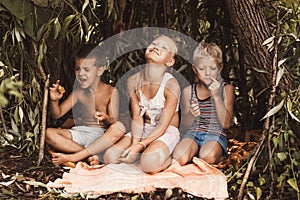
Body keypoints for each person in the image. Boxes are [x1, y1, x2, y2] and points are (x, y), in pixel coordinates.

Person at [102, 35, 181, 173]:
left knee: (148, 164)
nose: (157, 47)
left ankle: (167, 159)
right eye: (154, 43)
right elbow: (137, 117)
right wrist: (134, 144)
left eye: (164, 47)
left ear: (170, 61)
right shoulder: (133, 81)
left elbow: (163, 125)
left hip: (166, 130)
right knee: (110, 157)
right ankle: (145, 154)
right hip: (144, 128)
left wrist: (140, 146)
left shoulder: (171, 85)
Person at [46, 43, 124, 166]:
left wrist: (106, 118)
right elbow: (57, 114)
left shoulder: (111, 92)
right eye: (78, 69)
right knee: (49, 133)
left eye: (86, 69)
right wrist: (54, 100)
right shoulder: (78, 92)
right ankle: (89, 155)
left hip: (101, 136)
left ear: (99, 70)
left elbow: (114, 122)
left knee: (119, 128)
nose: (81, 74)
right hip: (81, 133)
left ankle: (77, 155)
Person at [173, 42, 234, 165]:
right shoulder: (188, 92)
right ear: (195, 69)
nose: (207, 73)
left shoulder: (226, 89)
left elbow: (226, 124)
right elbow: (184, 127)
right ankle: (194, 154)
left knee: (207, 157)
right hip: (192, 134)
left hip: (215, 134)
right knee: (179, 158)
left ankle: (215, 155)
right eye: (202, 69)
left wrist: (216, 96)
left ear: (220, 68)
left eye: (212, 68)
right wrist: (191, 114)